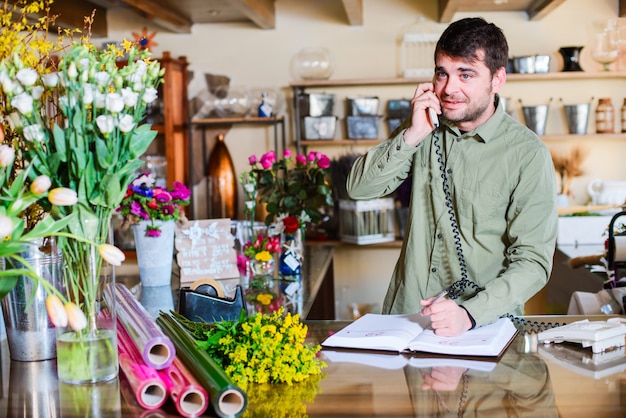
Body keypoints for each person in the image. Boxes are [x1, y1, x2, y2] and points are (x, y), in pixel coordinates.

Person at [346, 17, 558, 336]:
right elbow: (360, 188)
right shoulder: (422, 125)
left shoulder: (527, 154)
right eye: (442, 73)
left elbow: (533, 263)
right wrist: (412, 134)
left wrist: (470, 314)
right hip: (407, 318)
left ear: (497, 79)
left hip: (482, 327)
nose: (449, 89)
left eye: (466, 74)